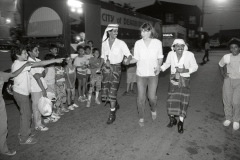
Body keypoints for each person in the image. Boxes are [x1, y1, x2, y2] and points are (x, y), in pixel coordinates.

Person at [11, 45, 63, 145]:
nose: (26, 54)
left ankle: (24, 132)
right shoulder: (20, 64)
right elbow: (40, 65)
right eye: (24, 53)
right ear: (17, 55)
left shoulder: (21, 63)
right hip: (21, 93)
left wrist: (54, 60)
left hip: (23, 92)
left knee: (25, 114)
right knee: (26, 115)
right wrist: (54, 60)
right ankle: (24, 138)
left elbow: (40, 63)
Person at [160, 39, 198, 134]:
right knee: (171, 100)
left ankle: (181, 122)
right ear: (174, 47)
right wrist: (160, 68)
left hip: (185, 80)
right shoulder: (170, 54)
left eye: (182, 45)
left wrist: (186, 70)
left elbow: (195, 66)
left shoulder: (189, 54)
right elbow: (167, 63)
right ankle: (172, 118)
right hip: (174, 79)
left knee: (183, 101)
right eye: (177, 45)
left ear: (184, 46)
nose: (180, 47)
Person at [130, 22, 163, 127]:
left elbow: (160, 57)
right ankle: (141, 117)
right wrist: (127, 61)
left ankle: (153, 109)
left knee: (151, 97)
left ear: (150, 31)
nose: (143, 33)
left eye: (145, 31)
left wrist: (159, 65)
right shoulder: (138, 43)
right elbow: (136, 58)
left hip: (153, 74)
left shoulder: (157, 42)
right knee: (140, 97)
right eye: (142, 31)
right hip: (141, 74)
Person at [101, 24, 132, 124]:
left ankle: (112, 114)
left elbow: (129, 54)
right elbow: (102, 56)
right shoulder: (104, 43)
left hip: (116, 68)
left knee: (112, 91)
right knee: (106, 88)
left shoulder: (121, 43)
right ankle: (115, 103)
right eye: (114, 31)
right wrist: (100, 66)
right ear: (109, 32)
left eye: (117, 31)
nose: (116, 33)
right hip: (106, 68)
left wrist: (128, 60)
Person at [0, 56, 32, 156]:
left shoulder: (1, 75)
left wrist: (25, 65)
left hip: (0, 104)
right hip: (19, 93)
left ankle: (3, 149)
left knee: (3, 127)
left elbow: (14, 74)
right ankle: (23, 137)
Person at [219, 38, 240, 130]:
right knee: (227, 100)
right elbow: (220, 65)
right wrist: (223, 74)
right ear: (230, 49)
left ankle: (236, 120)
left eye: (236, 47)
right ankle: (228, 118)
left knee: (236, 101)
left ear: (239, 48)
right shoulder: (226, 57)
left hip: (239, 81)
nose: (233, 49)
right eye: (232, 47)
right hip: (228, 80)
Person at [43, 54, 60, 123]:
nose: (54, 61)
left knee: (53, 100)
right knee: (49, 101)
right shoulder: (46, 69)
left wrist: (55, 85)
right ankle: (47, 117)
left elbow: (54, 77)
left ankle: (51, 113)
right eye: (52, 60)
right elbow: (43, 78)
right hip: (48, 86)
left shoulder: (53, 68)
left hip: (53, 85)